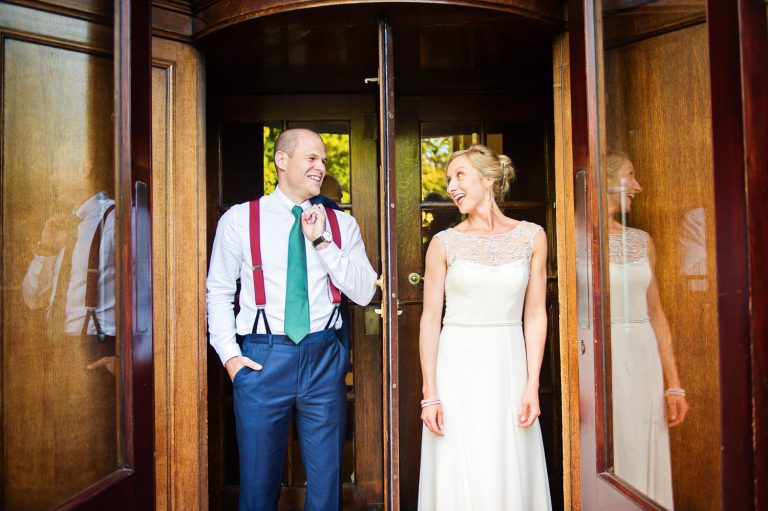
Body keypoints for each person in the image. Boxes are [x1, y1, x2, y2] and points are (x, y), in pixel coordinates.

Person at [206, 128, 376, 511]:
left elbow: (365, 292)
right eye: (311, 159)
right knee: (257, 484)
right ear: (282, 161)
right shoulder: (239, 220)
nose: (321, 167)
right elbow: (217, 291)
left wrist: (322, 243)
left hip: (322, 356)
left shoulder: (341, 225)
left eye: (324, 161)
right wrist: (231, 359)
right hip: (263, 357)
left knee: (326, 482)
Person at [417, 144, 552, 510]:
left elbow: (535, 314)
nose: (451, 186)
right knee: (460, 461)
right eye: (448, 179)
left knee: (506, 459)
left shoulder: (532, 237)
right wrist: (431, 392)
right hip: (457, 365)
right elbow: (430, 318)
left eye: (460, 175)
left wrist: (532, 383)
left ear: (489, 180)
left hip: (508, 364)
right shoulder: (444, 244)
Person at [21, 159, 117, 502]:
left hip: (98, 349)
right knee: (60, 453)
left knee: (98, 461)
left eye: (55, 166)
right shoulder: (64, 224)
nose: (49, 174)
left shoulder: (113, 219)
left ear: (85, 166)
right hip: (55, 349)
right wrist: (46, 248)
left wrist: (126, 359)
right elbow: (32, 299)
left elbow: (149, 291)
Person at [605, 152, 689, 509]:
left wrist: (673, 383)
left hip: (643, 358)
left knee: (645, 444)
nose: (637, 186)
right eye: (630, 175)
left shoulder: (642, 240)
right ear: (604, 179)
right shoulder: (574, 239)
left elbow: (656, 313)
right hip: (603, 357)